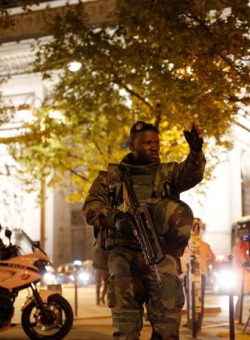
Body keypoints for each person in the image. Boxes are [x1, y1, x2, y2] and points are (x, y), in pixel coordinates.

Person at [82, 120, 206, 339]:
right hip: (124, 260)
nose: (154, 147)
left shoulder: (168, 173)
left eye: (156, 142)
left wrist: (195, 153)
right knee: (125, 329)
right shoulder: (110, 178)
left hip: (161, 258)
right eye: (147, 142)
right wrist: (115, 218)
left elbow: (191, 175)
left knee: (167, 328)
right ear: (132, 146)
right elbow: (91, 207)